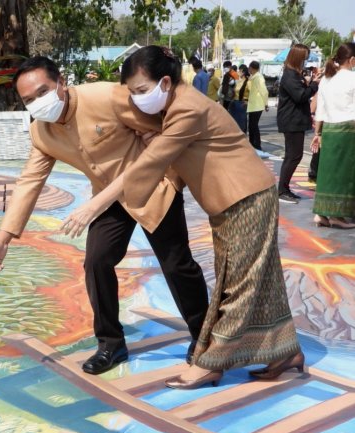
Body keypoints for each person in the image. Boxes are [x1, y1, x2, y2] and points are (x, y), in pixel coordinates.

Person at [61, 46, 303, 390]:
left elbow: (149, 163)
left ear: (165, 82)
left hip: (247, 196)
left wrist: (92, 205)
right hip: (227, 203)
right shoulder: (174, 106)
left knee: (239, 285)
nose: (135, 99)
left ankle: (210, 363)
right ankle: (285, 352)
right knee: (256, 279)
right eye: (130, 92)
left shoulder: (186, 107)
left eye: (141, 91)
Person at [0, 56, 208, 376]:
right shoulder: (41, 133)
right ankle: (111, 343)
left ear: (61, 82)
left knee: (176, 264)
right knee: (96, 262)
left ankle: (204, 336)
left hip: (153, 186)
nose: (37, 103)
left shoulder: (106, 96)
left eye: (42, 92)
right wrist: (3, 239)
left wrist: (160, 147)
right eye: (28, 100)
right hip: (107, 199)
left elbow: (162, 127)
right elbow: (29, 182)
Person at [310, 42, 355, 229]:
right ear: (352, 60)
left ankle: (321, 213)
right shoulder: (352, 78)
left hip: (328, 130)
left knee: (327, 172)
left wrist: (317, 133)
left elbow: (320, 109)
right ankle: (339, 216)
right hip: (348, 131)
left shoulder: (327, 79)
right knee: (345, 173)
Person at [277, 43, 321, 204]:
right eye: (304, 59)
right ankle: (282, 190)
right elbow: (300, 96)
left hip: (295, 119)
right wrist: (315, 85)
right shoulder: (289, 75)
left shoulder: (294, 74)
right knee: (293, 155)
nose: (305, 62)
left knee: (293, 155)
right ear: (297, 58)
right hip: (291, 120)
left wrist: (310, 82)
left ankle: (284, 188)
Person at [247, 61, 269, 152]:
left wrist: (266, 103)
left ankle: (257, 145)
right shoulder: (254, 77)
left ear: (251, 68)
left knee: (254, 125)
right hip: (253, 105)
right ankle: (252, 143)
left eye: (249, 68)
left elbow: (264, 91)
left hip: (257, 105)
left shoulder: (259, 77)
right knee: (251, 125)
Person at [228, 64, 250, 132]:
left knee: (241, 123)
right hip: (234, 103)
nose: (238, 72)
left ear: (243, 72)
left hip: (242, 104)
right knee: (234, 123)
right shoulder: (238, 81)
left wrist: (247, 102)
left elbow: (252, 93)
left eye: (239, 71)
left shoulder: (248, 82)